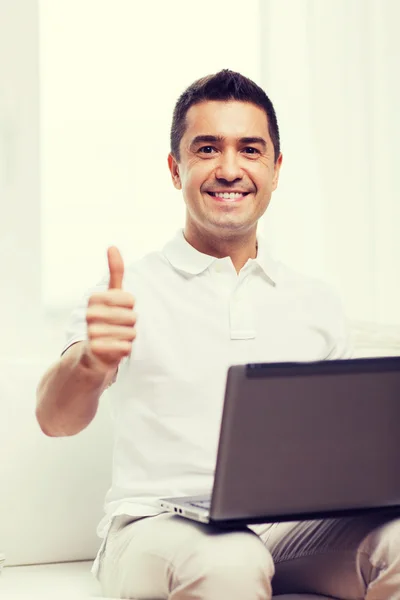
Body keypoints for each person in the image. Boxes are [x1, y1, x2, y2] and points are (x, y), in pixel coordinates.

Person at [36, 70, 400, 600]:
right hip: (157, 525)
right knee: (230, 560)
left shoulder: (315, 300)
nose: (230, 169)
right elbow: (54, 419)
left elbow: (347, 452)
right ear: (175, 168)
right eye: (207, 149)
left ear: (276, 170)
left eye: (250, 150)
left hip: (289, 529)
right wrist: (91, 362)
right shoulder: (126, 289)